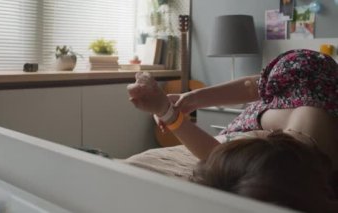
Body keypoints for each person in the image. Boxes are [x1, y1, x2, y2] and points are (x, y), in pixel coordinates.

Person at [126, 49, 338, 212]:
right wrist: (184, 103)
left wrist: (171, 110)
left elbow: (254, 85)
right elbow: (253, 85)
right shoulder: (308, 76)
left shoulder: (297, 150)